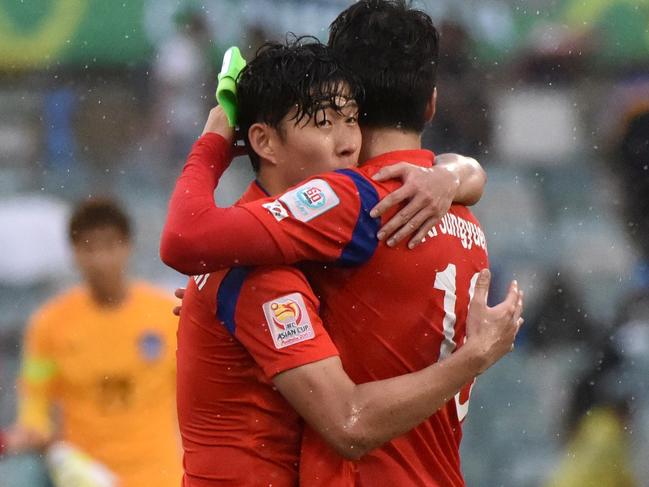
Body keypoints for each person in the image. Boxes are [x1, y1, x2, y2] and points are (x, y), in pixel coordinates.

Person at [161, 2, 524, 484]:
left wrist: (213, 142)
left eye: (347, 118)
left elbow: (187, 239)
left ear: (357, 98)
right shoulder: (461, 214)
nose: (344, 140)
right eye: (325, 121)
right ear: (431, 104)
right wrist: (457, 172)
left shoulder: (349, 201)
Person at [2, 199, 181, 487]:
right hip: (87, 477)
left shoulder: (166, 316)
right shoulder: (49, 325)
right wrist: (34, 428)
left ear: (128, 246)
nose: (100, 260)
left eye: (109, 246)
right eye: (89, 248)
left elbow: (200, 395)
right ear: (73, 254)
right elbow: (36, 394)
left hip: (159, 476)